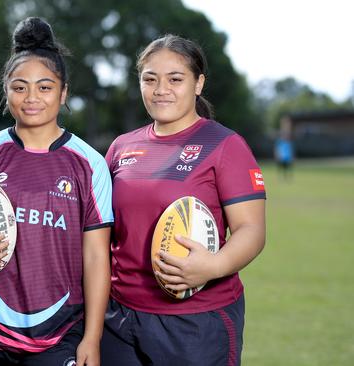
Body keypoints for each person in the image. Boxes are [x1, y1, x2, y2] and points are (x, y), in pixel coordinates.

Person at [0, 17, 113, 366]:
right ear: (6, 90)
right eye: (19, 87)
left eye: (45, 87)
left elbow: (96, 258)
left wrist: (92, 338)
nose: (31, 97)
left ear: (63, 92)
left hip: (59, 332)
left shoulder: (89, 164)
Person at [101, 34, 266, 365]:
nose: (161, 89)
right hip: (119, 319)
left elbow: (251, 230)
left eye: (175, 79)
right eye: (150, 79)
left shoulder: (225, 145)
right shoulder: (121, 146)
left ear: (198, 83)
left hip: (196, 323)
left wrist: (212, 266)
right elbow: (103, 232)